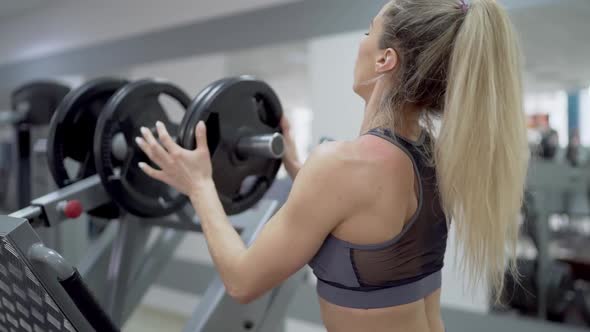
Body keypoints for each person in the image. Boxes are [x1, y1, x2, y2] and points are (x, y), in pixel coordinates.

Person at [135, 0, 530, 331]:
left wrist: (200, 185)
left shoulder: (345, 165)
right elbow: (353, 214)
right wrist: (292, 162)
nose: (361, 41)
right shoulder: (433, 155)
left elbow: (241, 281)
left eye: (367, 30)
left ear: (385, 59)